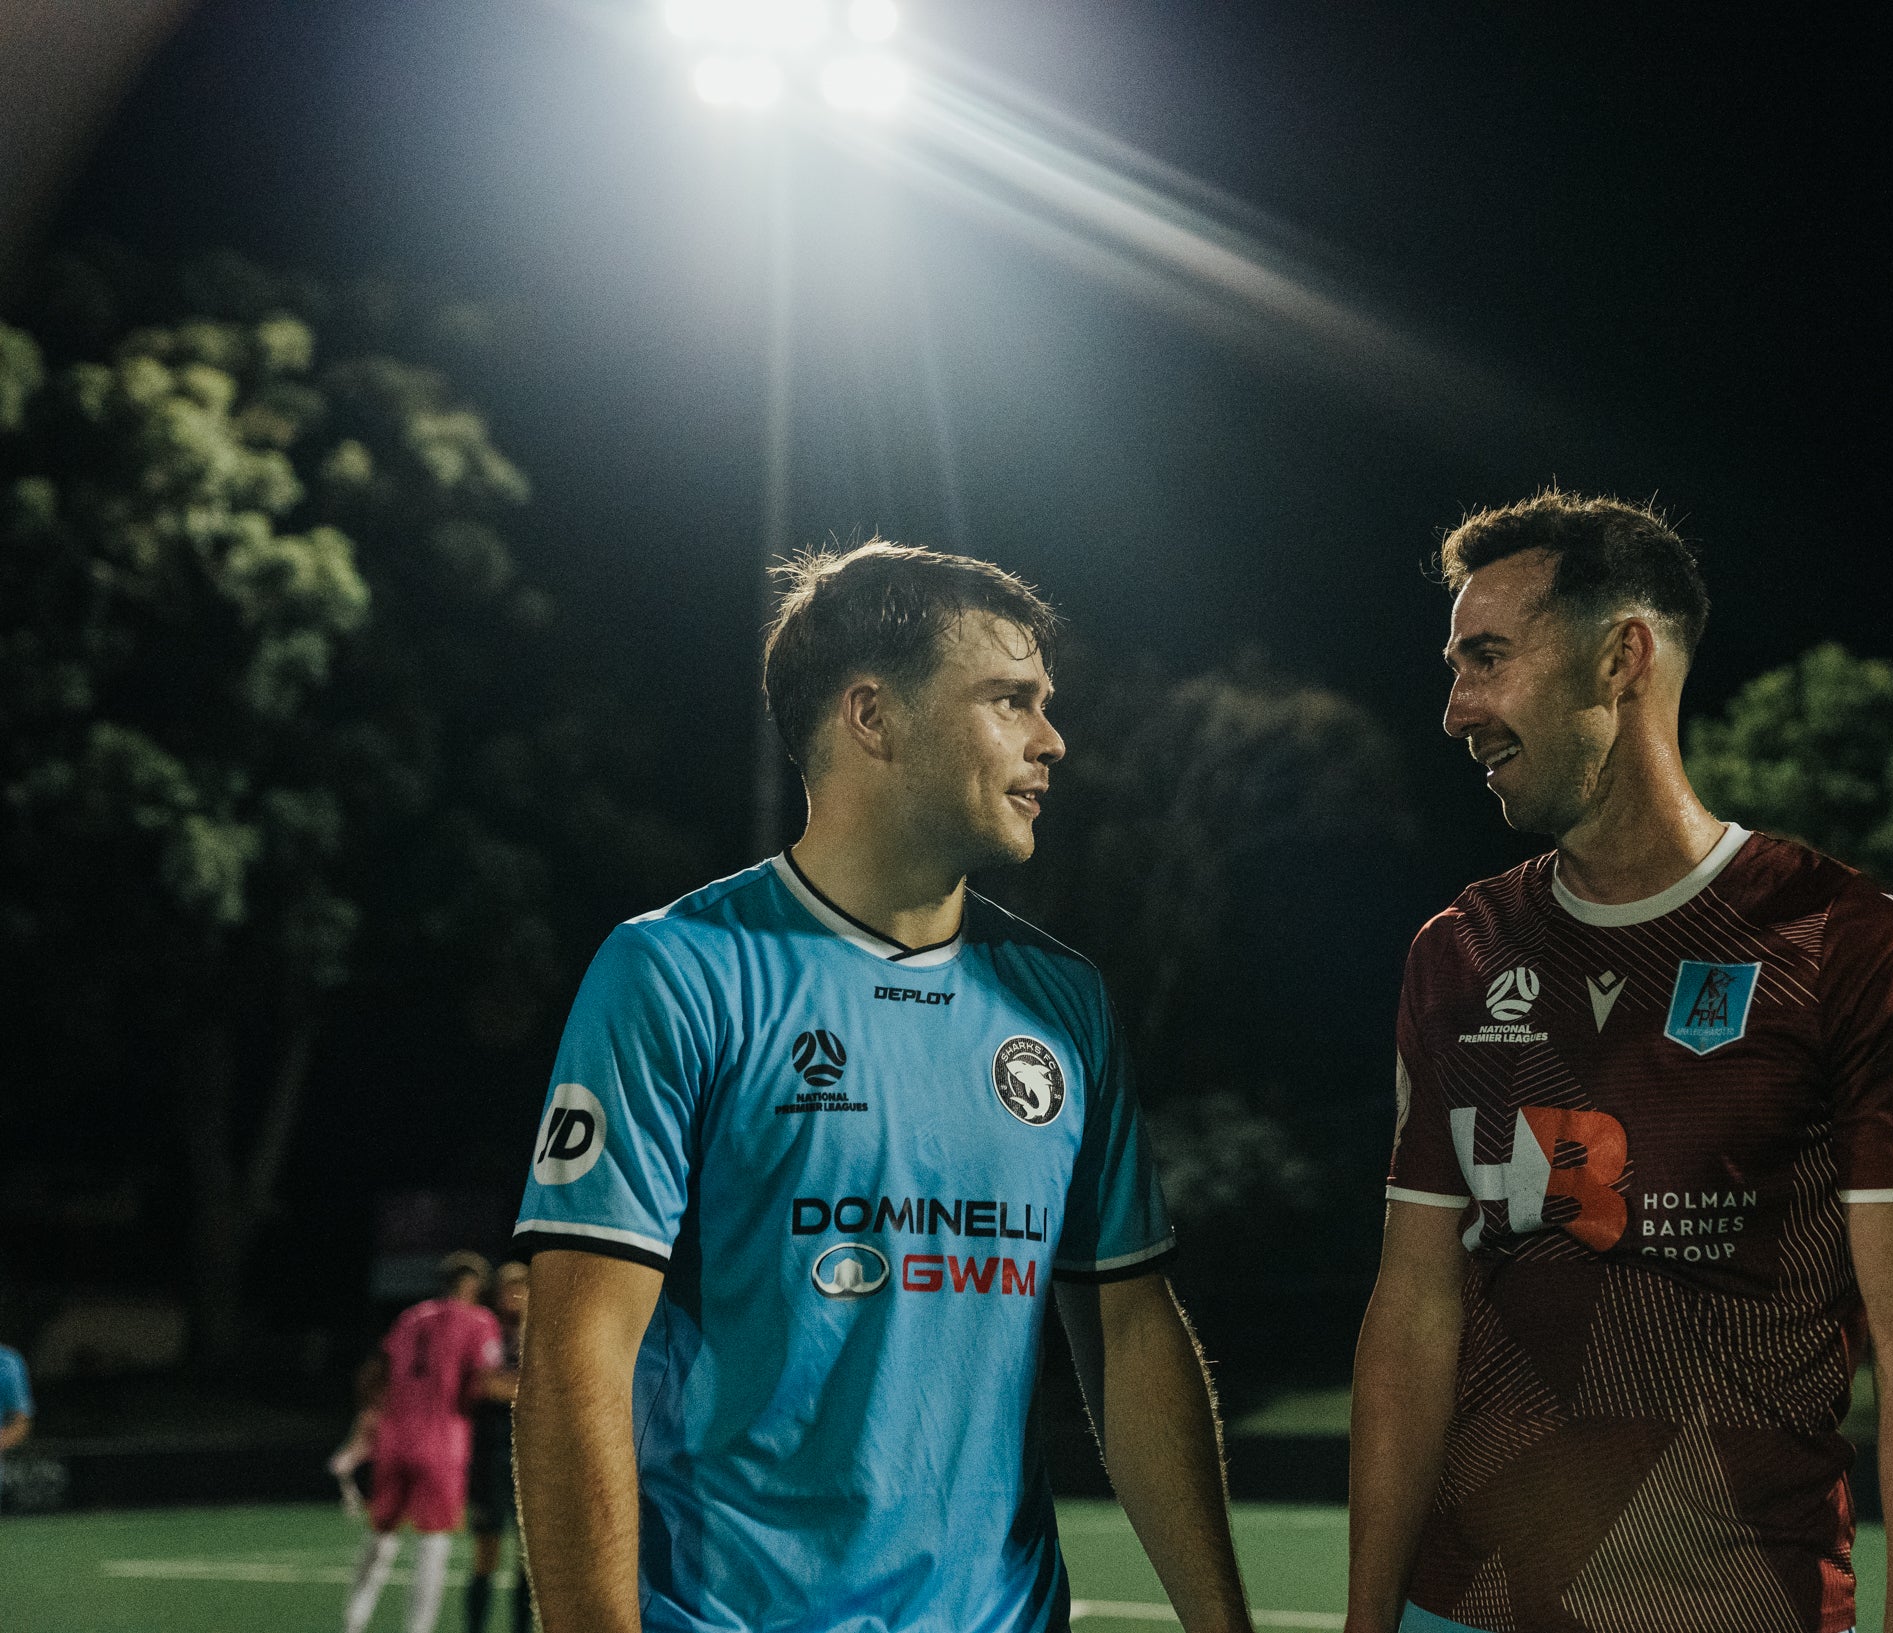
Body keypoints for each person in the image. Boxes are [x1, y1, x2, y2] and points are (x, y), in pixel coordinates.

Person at [512, 543, 1252, 1633]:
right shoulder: (675, 970)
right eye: (1011, 701)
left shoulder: (1064, 1002)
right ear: (872, 715)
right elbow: (577, 1353)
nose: (1052, 740)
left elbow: (1132, 1330)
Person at [1348, 492, 1893, 1633]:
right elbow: (1411, 1310)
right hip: (1465, 1610)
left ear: (1622, 657)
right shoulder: (1454, 954)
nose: (1455, 710)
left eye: (1486, 658)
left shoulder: (1857, 947)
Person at [343, 1252, 514, 1633]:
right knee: (432, 1543)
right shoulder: (479, 1321)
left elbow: (374, 1373)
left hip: (395, 1437)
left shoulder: (411, 1317)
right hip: (442, 1442)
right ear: (474, 1285)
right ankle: (418, 1629)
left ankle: (353, 1623)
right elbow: (485, 1383)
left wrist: (370, 1417)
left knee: (380, 1537)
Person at [464, 1262, 528, 1633]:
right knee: (486, 1554)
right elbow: (487, 1385)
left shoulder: (542, 1332)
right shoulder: (485, 1330)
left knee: (527, 1559)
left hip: (531, 1457)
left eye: (521, 1287)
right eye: (508, 1287)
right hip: (491, 1452)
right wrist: (529, 1388)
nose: (514, 1295)